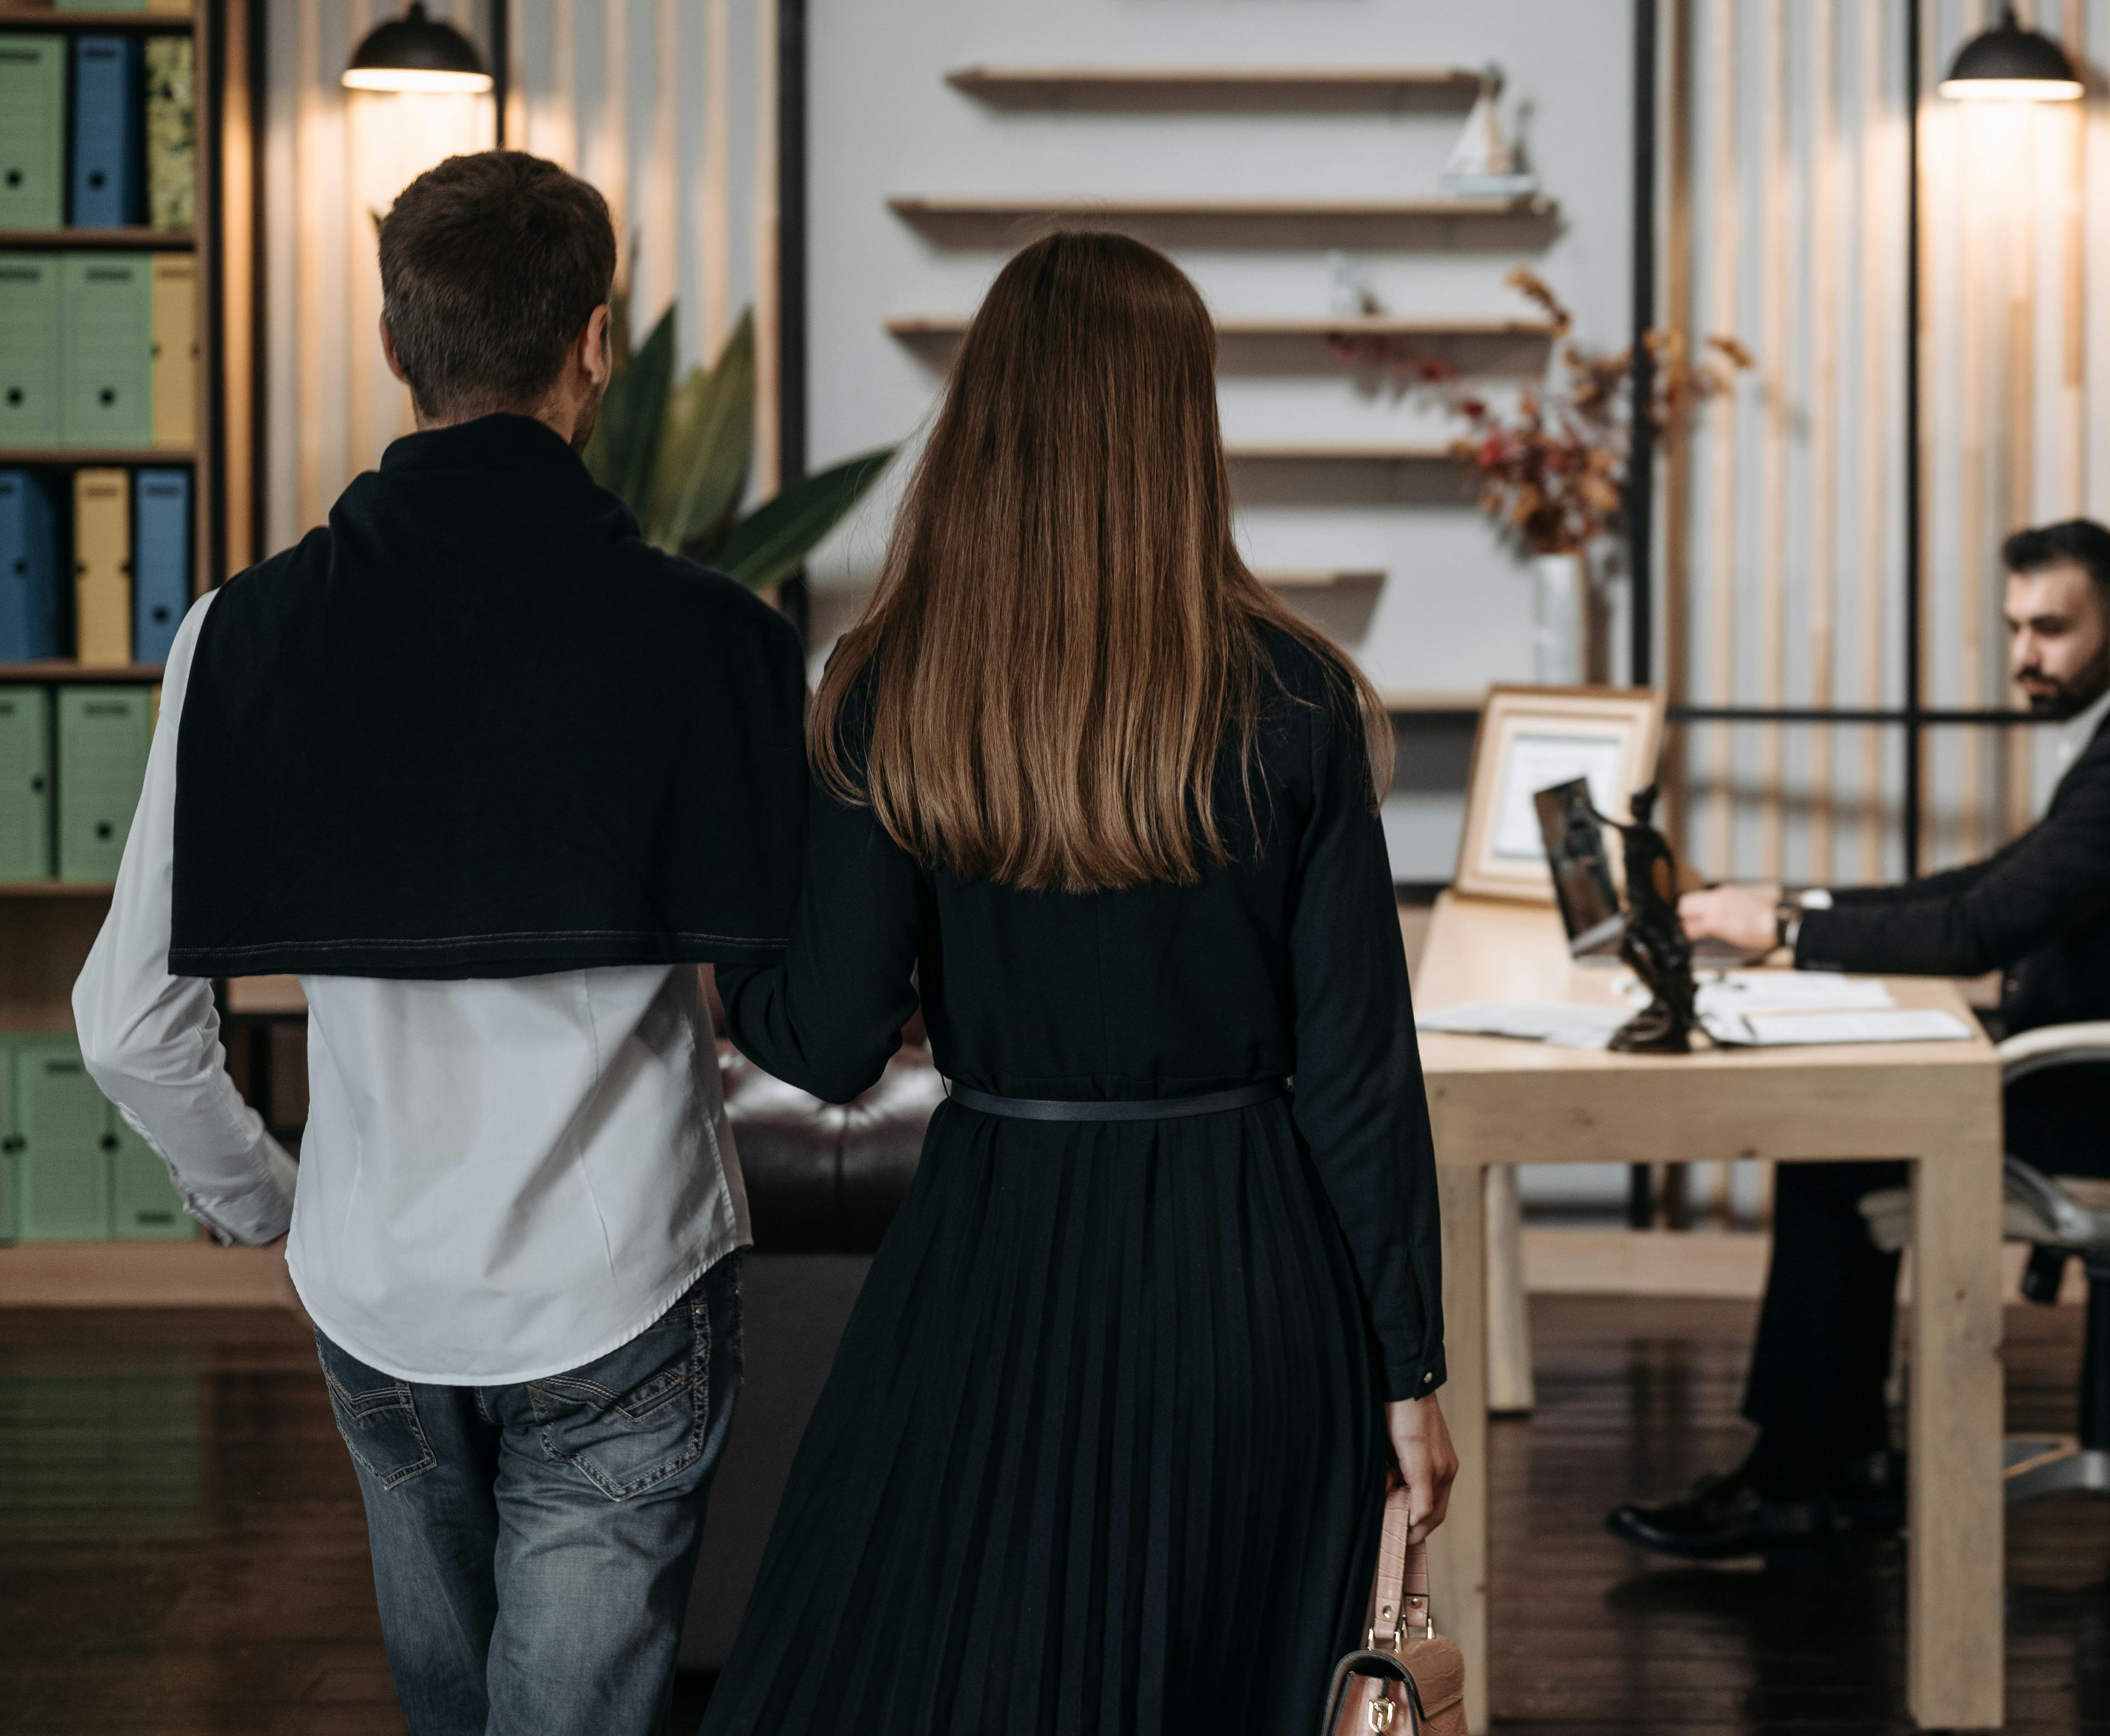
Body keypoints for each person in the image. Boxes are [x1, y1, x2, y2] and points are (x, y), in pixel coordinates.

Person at [73, 151, 809, 1735]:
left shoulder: (239, 633)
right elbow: (802, 1001)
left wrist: (262, 1195)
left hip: (379, 1293)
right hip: (624, 1288)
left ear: (397, 347)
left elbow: (129, 1025)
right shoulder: (721, 644)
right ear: (596, 345)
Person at [698, 230, 1455, 1735]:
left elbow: (830, 1043)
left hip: (991, 1250)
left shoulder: (890, 688)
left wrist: (727, 928)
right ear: (1186, 424)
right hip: (1255, 1279)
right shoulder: (1301, 699)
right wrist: (1409, 1372)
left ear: (989, 412)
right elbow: (1362, 1078)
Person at [1610, 519, 2110, 1564]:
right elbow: (1981, 888)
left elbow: (1978, 933)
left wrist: (1780, 933)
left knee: (1838, 1141)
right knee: (1849, 1123)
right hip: (2108, 1075)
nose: (2024, 655)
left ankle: (1796, 1482)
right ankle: (1844, 1465)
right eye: (2015, 628)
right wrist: (1791, 902)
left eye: (2051, 628)